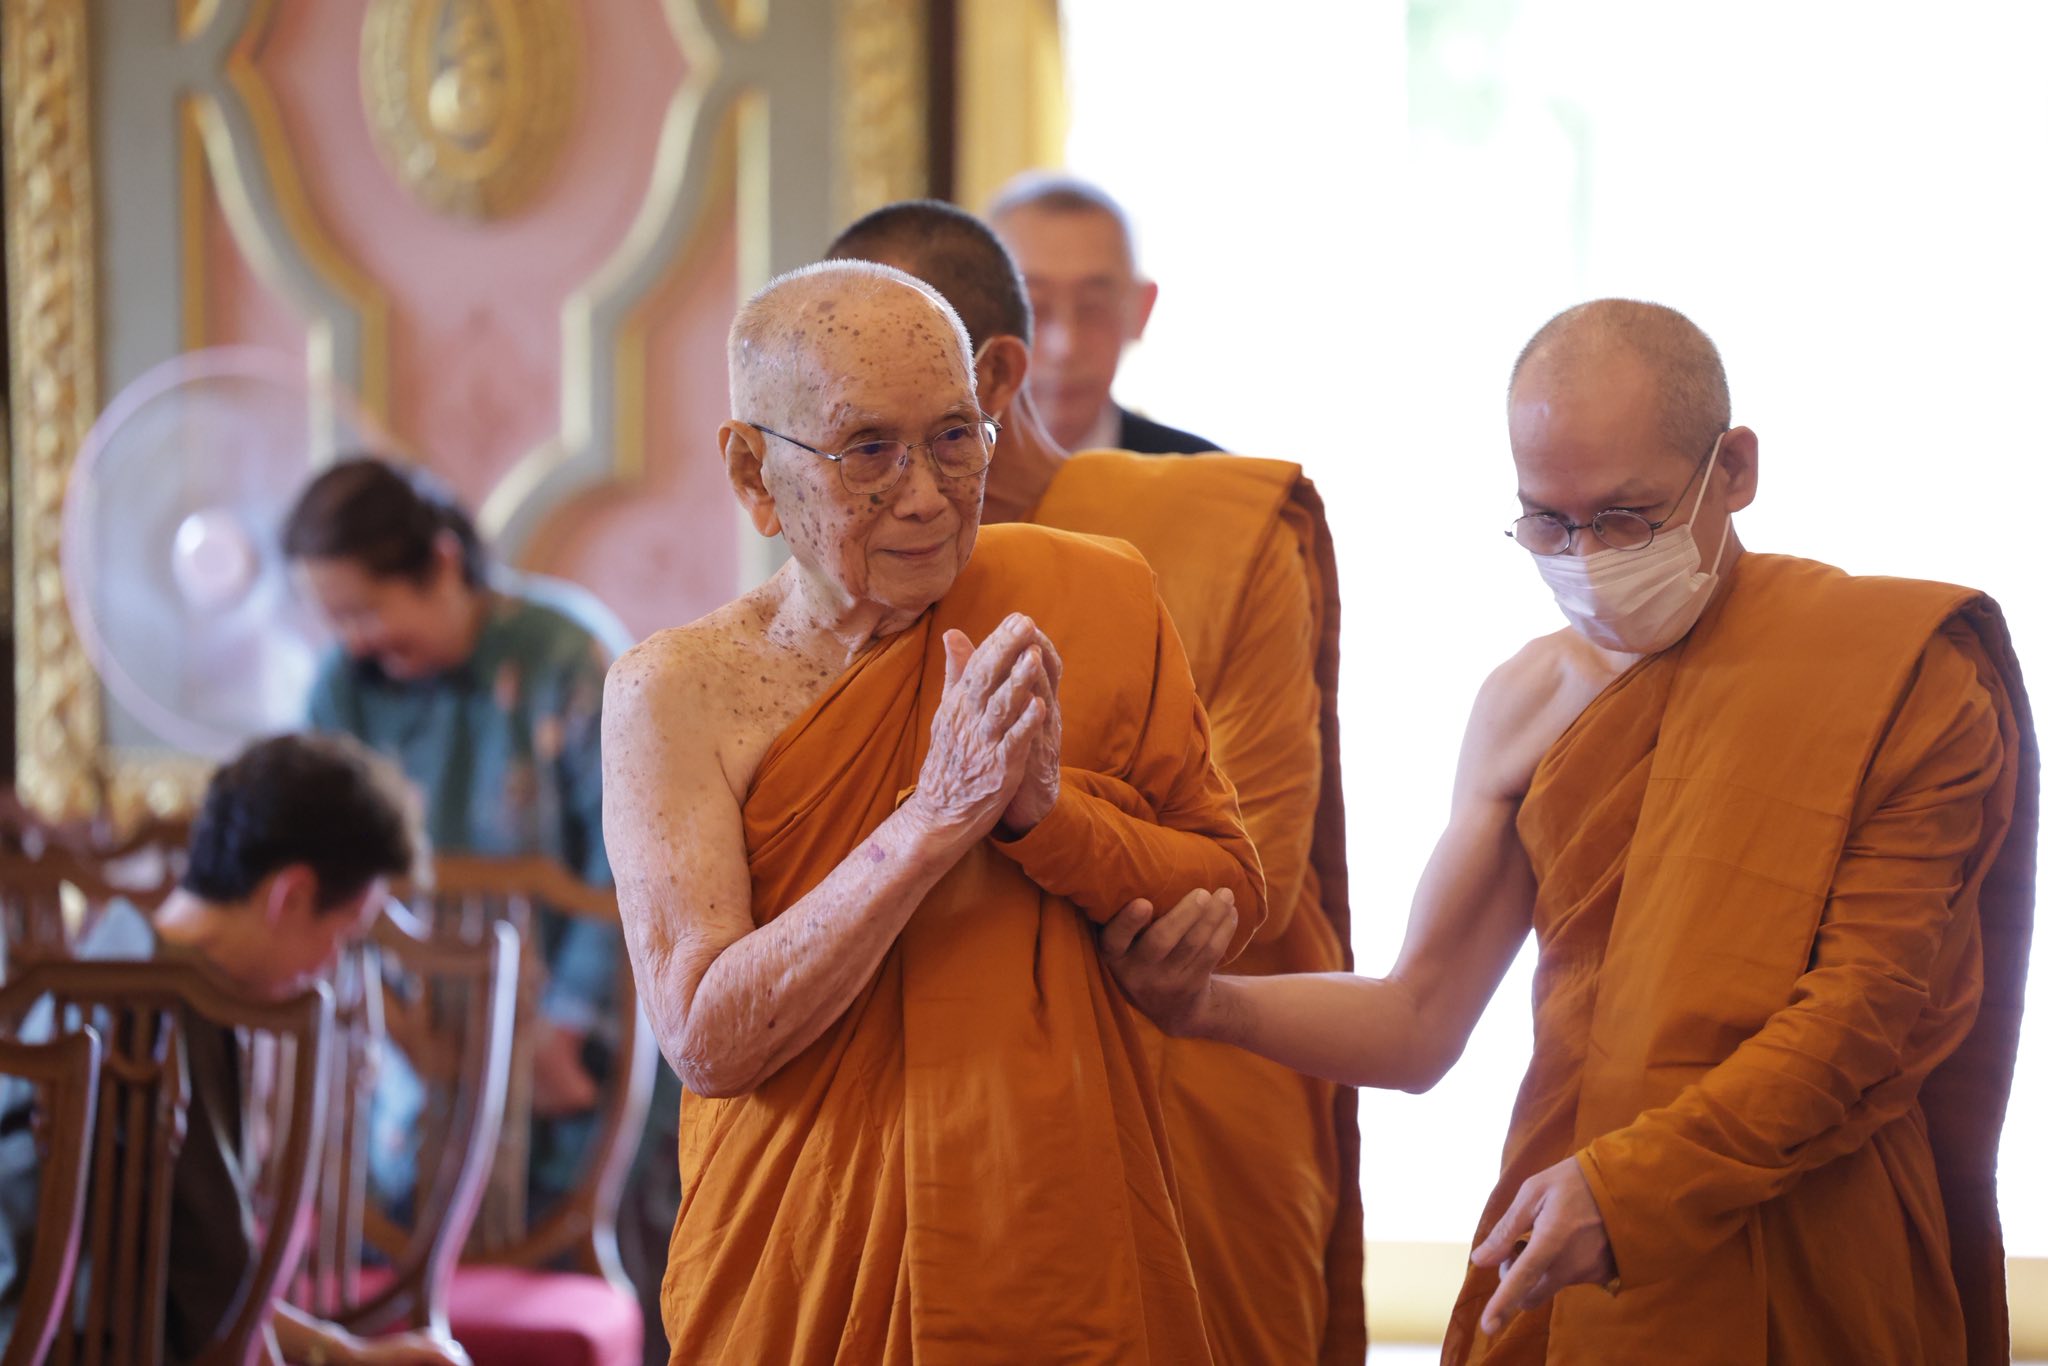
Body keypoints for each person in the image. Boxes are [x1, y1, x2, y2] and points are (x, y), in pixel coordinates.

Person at [1101, 299, 2035, 1364]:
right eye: (1546, 521)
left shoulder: (1896, 674)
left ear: (1731, 471)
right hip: (1569, 1230)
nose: (1585, 556)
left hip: (1818, 1237)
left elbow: (1866, 1013)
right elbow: (1415, 1020)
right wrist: (1205, 1004)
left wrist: (1631, 1189)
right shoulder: (1519, 704)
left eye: (1626, 518)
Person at [601, 259, 1265, 1361]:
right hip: (805, 1262)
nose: (923, 493)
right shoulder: (677, 691)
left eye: (955, 437)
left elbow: (1227, 891)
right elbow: (707, 1034)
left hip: (1052, 1236)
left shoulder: (1090, 597)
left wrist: (1046, 819)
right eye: (868, 450)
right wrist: (929, 823)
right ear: (753, 471)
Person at [825, 198, 1362, 1364]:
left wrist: (1036, 818)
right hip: (926, 1141)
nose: (852, 461)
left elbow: (1242, 883)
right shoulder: (834, 585)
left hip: (1193, 1106)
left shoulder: (1216, 533)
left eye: (874, 417)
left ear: (992, 374)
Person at [0, 733, 467, 1364]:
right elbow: (216, 1312)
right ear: (291, 896)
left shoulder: (120, 950)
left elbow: (209, 1289)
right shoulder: (171, 1008)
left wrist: (345, 1353)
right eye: (343, 935)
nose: (330, 966)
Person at [283, 456, 627, 1196]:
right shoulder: (341, 690)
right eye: (334, 620)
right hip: (404, 1057)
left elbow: (631, 864)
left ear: (442, 565)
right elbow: (322, 869)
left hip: (580, 1051)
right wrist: (405, 1034)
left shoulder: (567, 656)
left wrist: (561, 1028)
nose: (352, 641)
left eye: (365, 611)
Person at [987, 172, 1218, 455]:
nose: (1064, 347)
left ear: (1142, 310)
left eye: (1092, 307)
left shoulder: (1205, 482)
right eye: (1033, 309)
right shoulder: (934, 479)